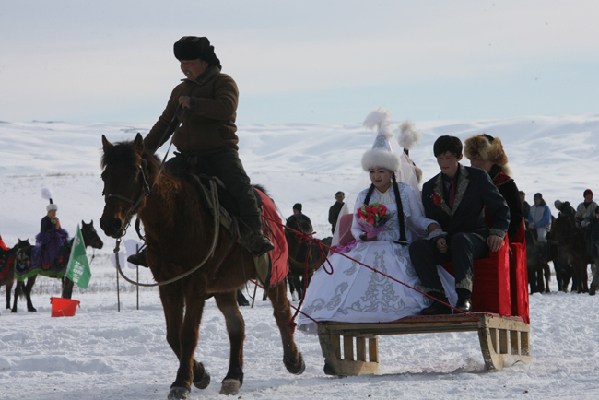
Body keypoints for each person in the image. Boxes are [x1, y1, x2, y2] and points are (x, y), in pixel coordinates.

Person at [298, 109, 457, 334]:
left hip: (398, 247)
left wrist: (432, 227)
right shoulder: (364, 195)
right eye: (372, 171)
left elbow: (416, 219)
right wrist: (366, 234)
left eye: (381, 170)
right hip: (368, 247)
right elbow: (355, 228)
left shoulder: (404, 191)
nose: (376, 176)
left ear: (391, 171)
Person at [128, 36, 273, 266]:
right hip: (185, 158)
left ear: (205, 62)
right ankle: (152, 244)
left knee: (241, 188)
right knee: (155, 189)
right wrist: (141, 153)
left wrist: (195, 103)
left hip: (219, 153)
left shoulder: (223, 82)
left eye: (190, 62)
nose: (185, 67)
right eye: (182, 63)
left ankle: (255, 236)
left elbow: (226, 108)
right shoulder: (179, 91)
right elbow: (165, 124)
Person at [409, 135, 510, 314]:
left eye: (448, 157)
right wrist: (438, 238)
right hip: (448, 241)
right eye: (440, 158)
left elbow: (501, 208)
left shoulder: (478, 177)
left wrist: (498, 231)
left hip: (475, 238)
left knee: (461, 239)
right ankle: (438, 298)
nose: (443, 162)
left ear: (459, 157)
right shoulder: (430, 187)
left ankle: (464, 297)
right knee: (418, 247)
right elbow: (433, 221)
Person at [465, 134, 524, 243]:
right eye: (473, 159)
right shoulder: (464, 182)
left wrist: (501, 237)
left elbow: (515, 217)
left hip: (498, 242)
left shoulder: (505, 184)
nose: (476, 164)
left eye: (481, 159)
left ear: (493, 160)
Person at [32, 197, 69, 268]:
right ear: (49, 211)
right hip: (47, 237)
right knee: (52, 246)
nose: (54, 212)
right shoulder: (44, 219)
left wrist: (62, 233)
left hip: (56, 236)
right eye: (52, 211)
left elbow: (59, 228)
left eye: (54, 211)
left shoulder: (57, 219)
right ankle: (52, 262)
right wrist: (51, 232)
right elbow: (43, 230)